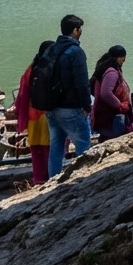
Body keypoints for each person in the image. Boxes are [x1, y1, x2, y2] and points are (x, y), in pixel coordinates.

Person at [46, 14, 92, 176]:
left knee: (56, 147)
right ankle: (83, 182)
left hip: (51, 107)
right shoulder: (76, 52)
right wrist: (87, 105)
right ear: (75, 30)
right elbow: (82, 83)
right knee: (84, 147)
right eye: (79, 29)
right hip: (71, 108)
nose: (80, 32)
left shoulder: (51, 49)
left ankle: (52, 184)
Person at [14, 40, 55, 185]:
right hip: (49, 114)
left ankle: (38, 180)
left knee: (36, 150)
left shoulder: (30, 70)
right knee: (52, 147)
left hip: (33, 116)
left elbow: (22, 95)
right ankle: (53, 177)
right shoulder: (52, 68)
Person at [90, 45, 133, 141]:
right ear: (119, 58)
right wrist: (120, 105)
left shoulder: (104, 68)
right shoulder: (112, 72)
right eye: (123, 58)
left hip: (104, 114)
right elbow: (106, 93)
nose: (124, 61)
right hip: (110, 115)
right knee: (113, 139)